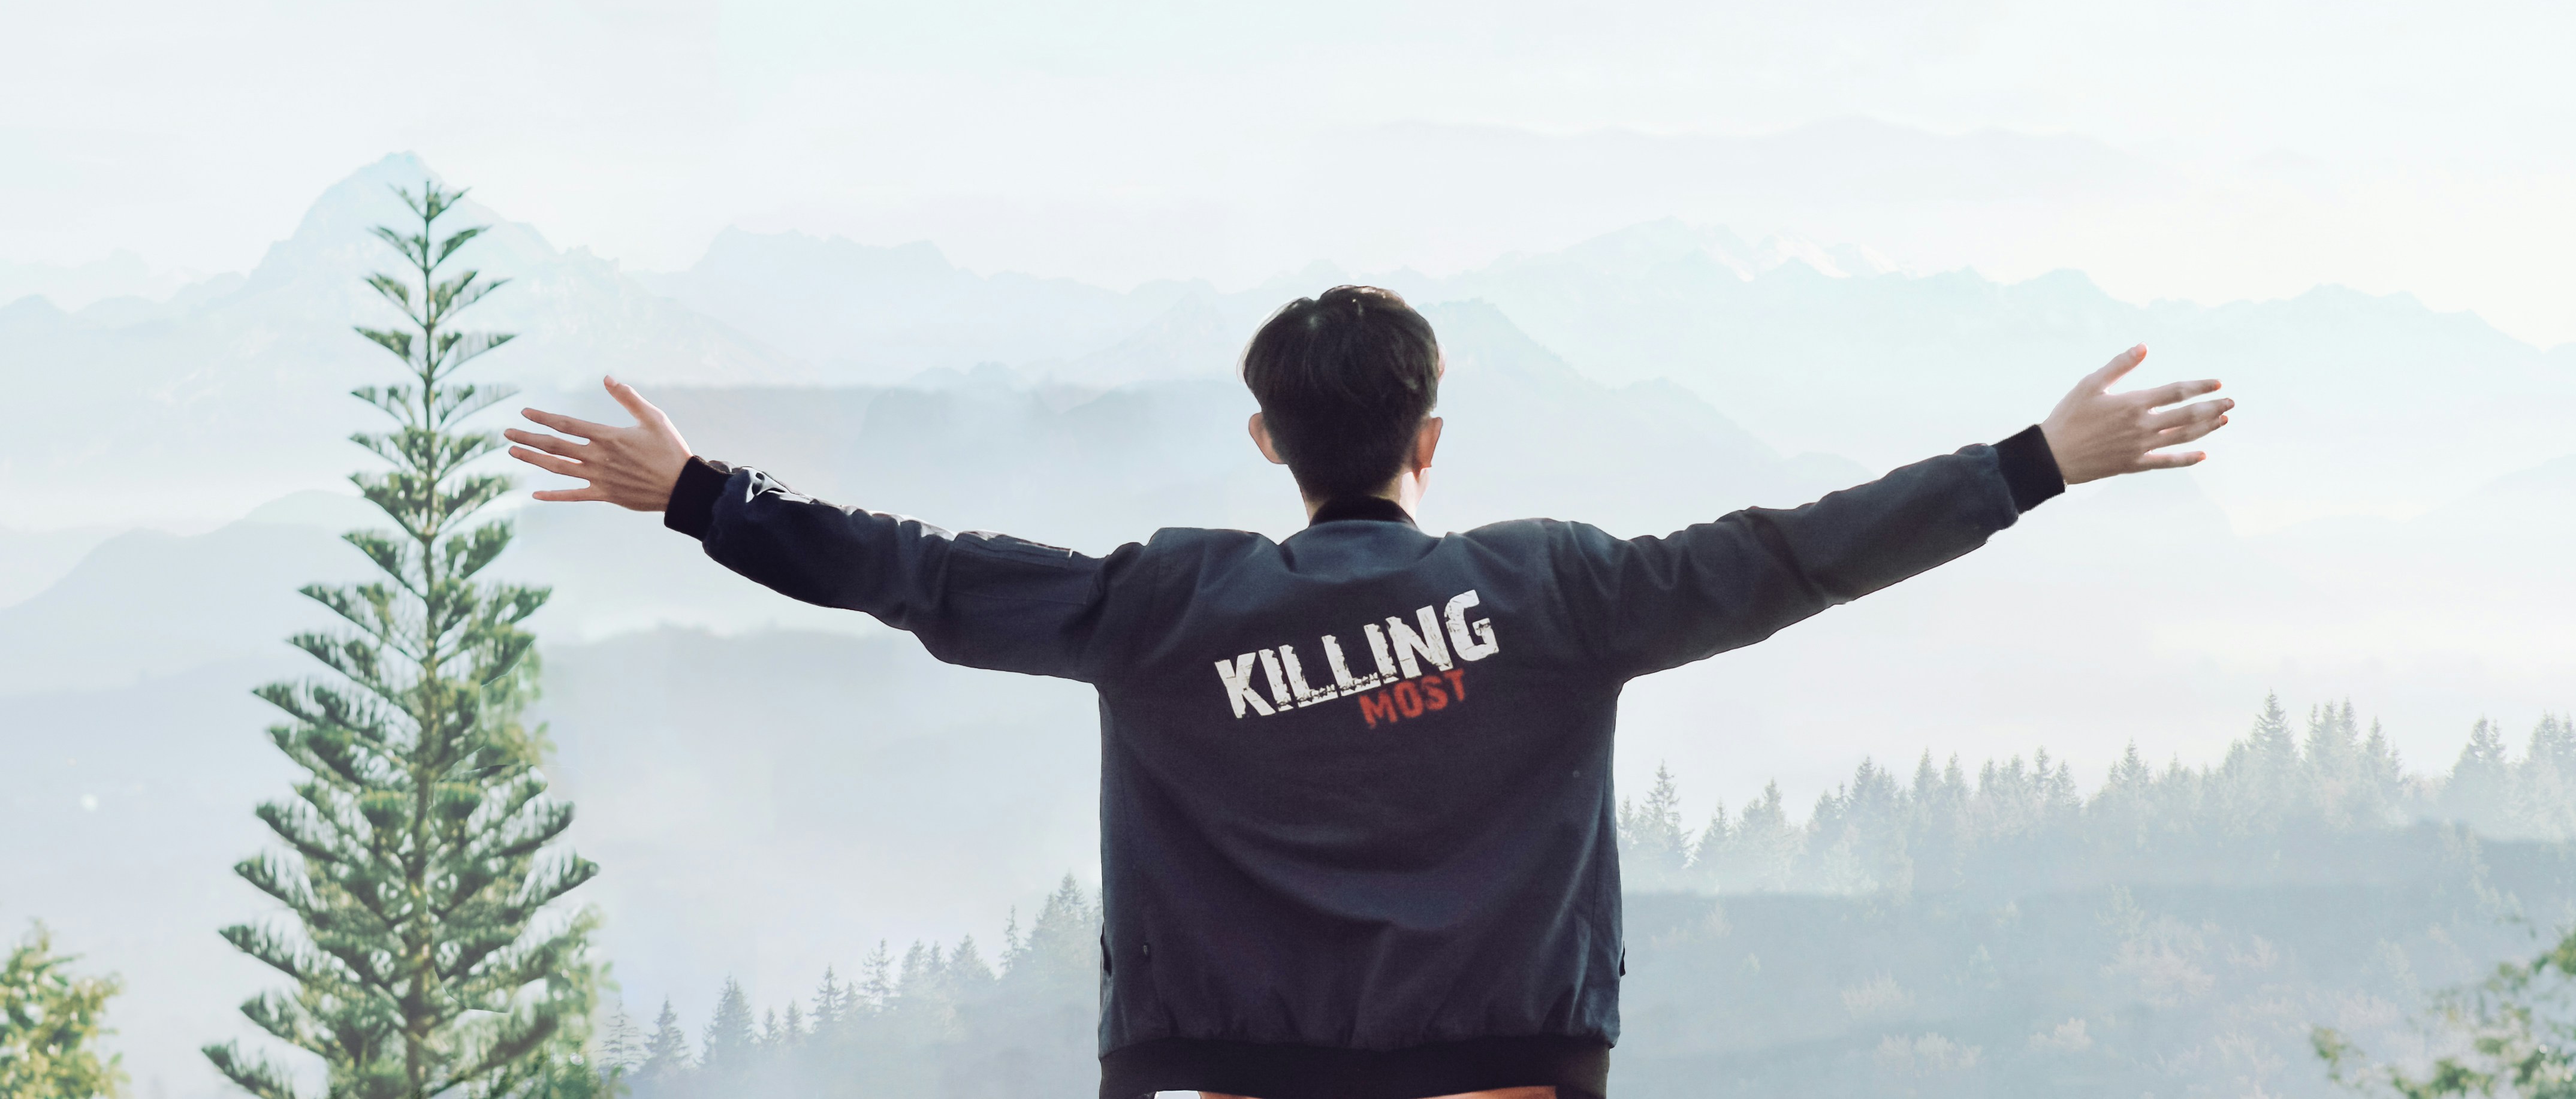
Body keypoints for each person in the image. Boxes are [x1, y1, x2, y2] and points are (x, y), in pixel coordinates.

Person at [511, 285, 2229, 1099]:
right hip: (1507, 1075)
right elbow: (1795, 555)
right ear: (1428, 439)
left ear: (1266, 440)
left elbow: (921, 576)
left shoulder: (1165, 606)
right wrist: (2031, 463)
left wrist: (696, 495)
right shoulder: (1556, 594)